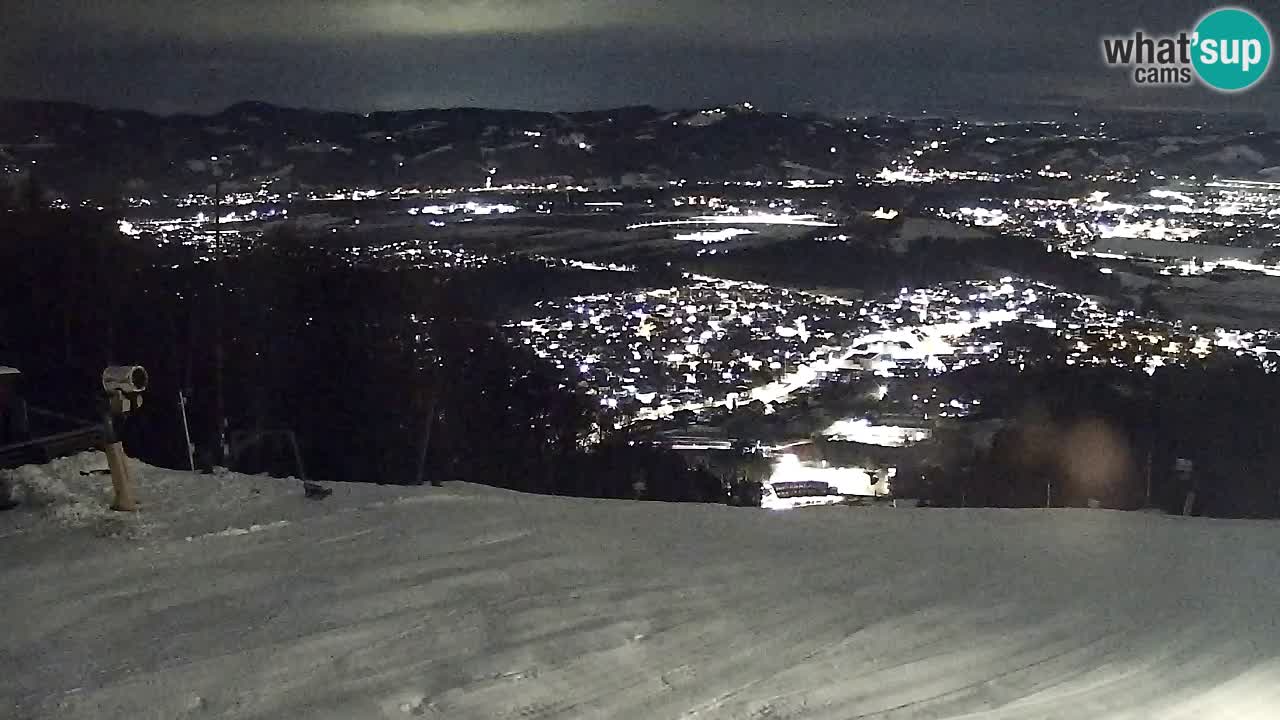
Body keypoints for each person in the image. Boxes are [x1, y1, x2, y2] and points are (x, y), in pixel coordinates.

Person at [0, 366, 28, 510]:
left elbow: (21, 432)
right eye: (2, 383)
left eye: (8, 383)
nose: (5, 388)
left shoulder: (17, 404)